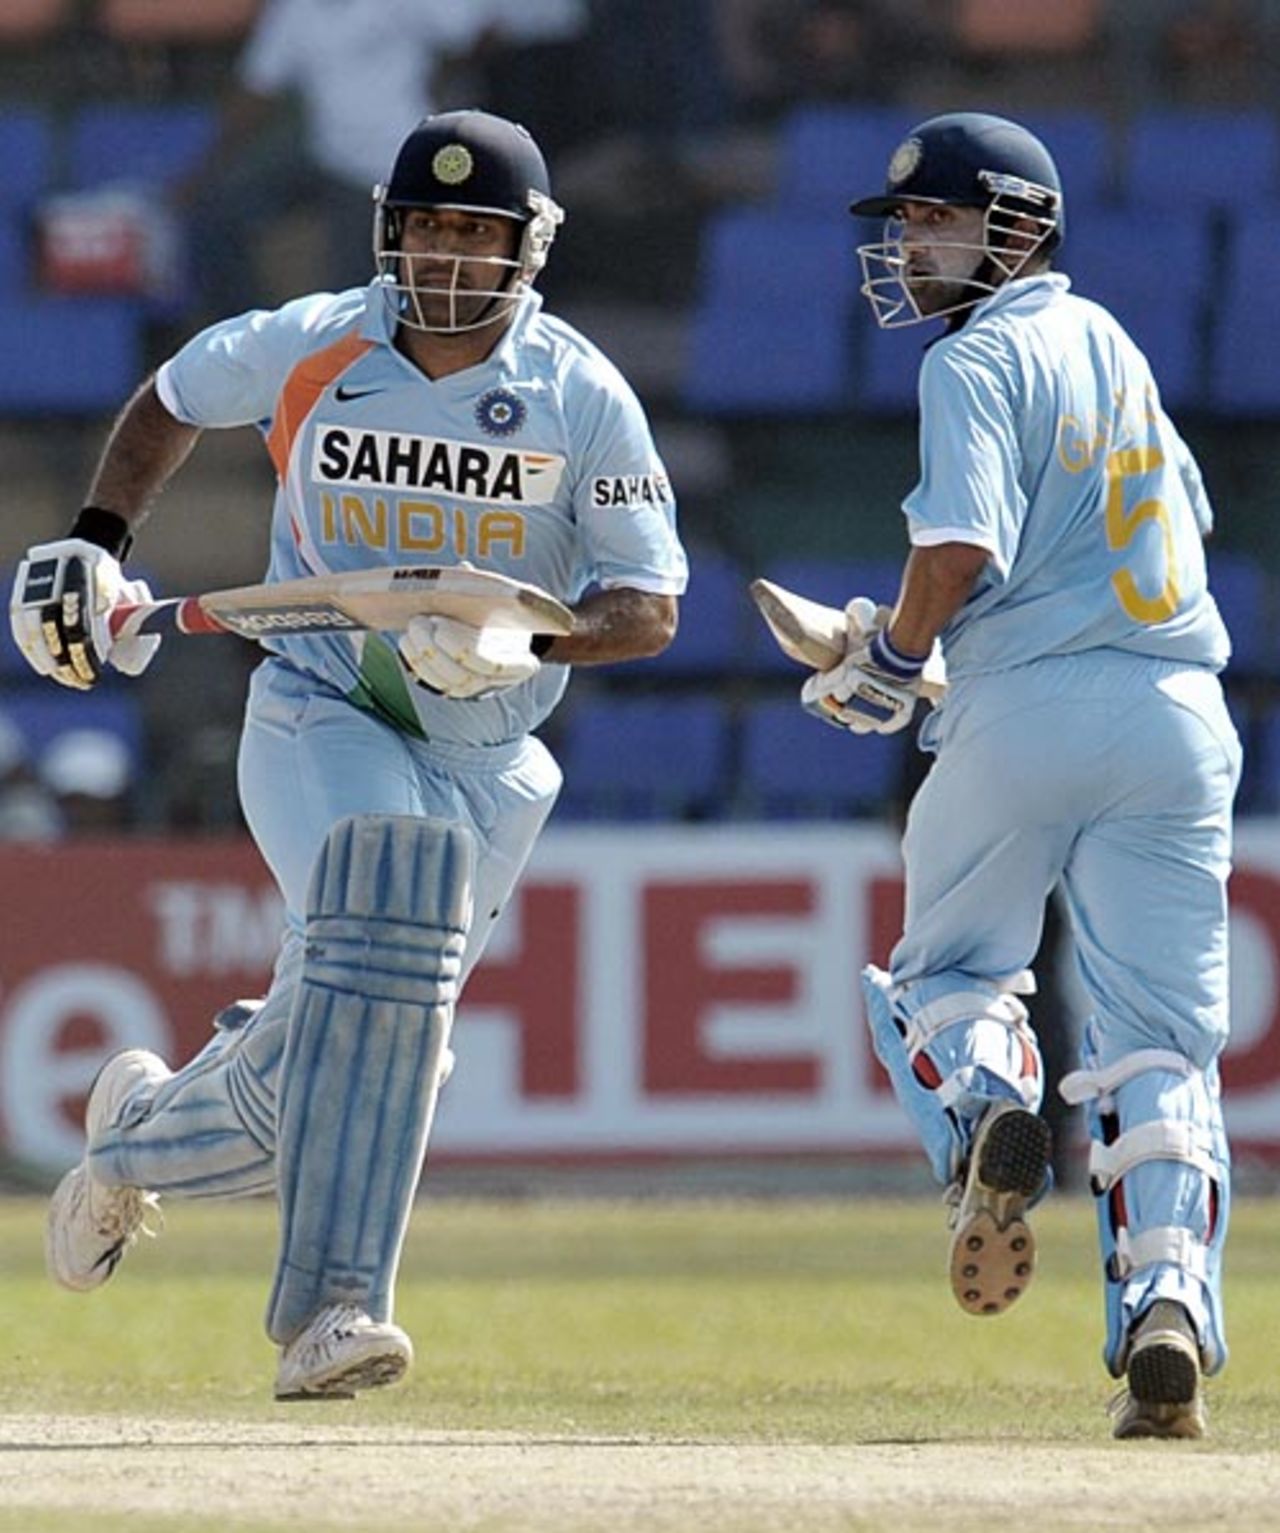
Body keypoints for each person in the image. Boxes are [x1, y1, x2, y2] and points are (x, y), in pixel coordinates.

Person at [9, 109, 686, 1401]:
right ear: (390, 233)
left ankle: (131, 1140)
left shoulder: (579, 394)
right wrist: (99, 538)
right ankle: (332, 1312)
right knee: (392, 929)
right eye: (425, 227)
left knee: (342, 1064)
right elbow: (168, 402)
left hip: (492, 755)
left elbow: (647, 606)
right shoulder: (316, 342)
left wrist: (526, 645)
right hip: (326, 706)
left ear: (526, 249)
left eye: (475, 233)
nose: (445, 255)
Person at [801, 112, 1238, 1438]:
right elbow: (1180, 520)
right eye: (905, 223)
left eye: (938, 219)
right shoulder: (1108, 341)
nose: (911, 245)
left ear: (1021, 227)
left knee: (943, 975)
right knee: (1162, 1044)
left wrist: (891, 658)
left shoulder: (972, 359)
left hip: (1023, 710)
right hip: (1178, 713)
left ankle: (991, 1107)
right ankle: (1166, 1306)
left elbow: (958, 550)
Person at [178, 0, 585, 318]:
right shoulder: (295, 11)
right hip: (325, 156)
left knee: (349, 289)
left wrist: (447, 82)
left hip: (389, 163)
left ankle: (361, 377)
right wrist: (201, 172)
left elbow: (474, 30)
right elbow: (256, 92)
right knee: (222, 213)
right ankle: (247, 330)